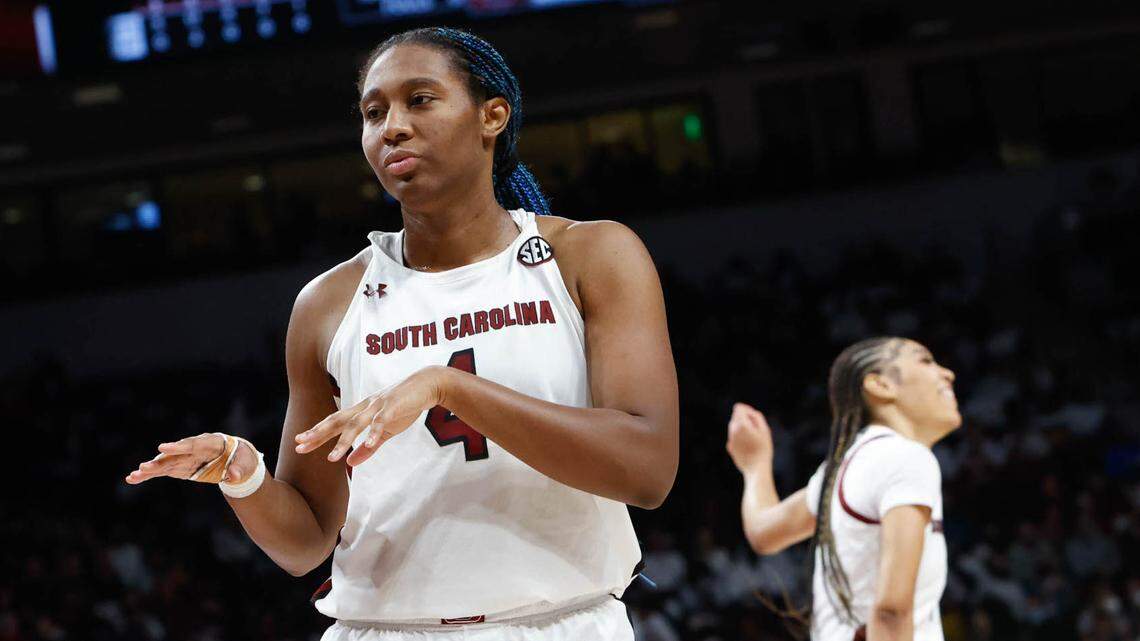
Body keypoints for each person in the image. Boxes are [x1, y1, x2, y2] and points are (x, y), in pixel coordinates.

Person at [125, 27, 678, 641]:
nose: (391, 127)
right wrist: (243, 473)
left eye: (420, 100)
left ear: (492, 116)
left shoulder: (590, 255)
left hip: (567, 622)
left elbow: (646, 469)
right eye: (372, 111)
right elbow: (306, 541)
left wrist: (448, 388)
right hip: (383, 628)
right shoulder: (327, 304)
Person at [726, 337, 960, 641]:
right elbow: (890, 612)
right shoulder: (906, 458)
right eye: (925, 360)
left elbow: (764, 531)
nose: (947, 373)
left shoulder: (842, 469)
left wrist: (755, 466)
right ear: (880, 385)